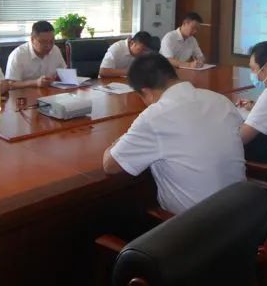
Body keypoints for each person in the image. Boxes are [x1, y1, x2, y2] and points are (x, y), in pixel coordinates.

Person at [102, 53, 245, 215]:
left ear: (146, 92)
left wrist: (119, 141)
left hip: (197, 226)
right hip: (243, 214)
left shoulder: (155, 117)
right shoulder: (220, 100)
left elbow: (110, 165)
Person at [5, 20, 67, 89]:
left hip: (50, 92)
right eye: (43, 42)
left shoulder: (55, 50)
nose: (48, 46)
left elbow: (64, 72)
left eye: (51, 41)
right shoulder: (18, 55)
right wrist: (35, 83)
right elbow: (10, 84)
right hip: (26, 94)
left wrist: (55, 78)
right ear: (32, 39)